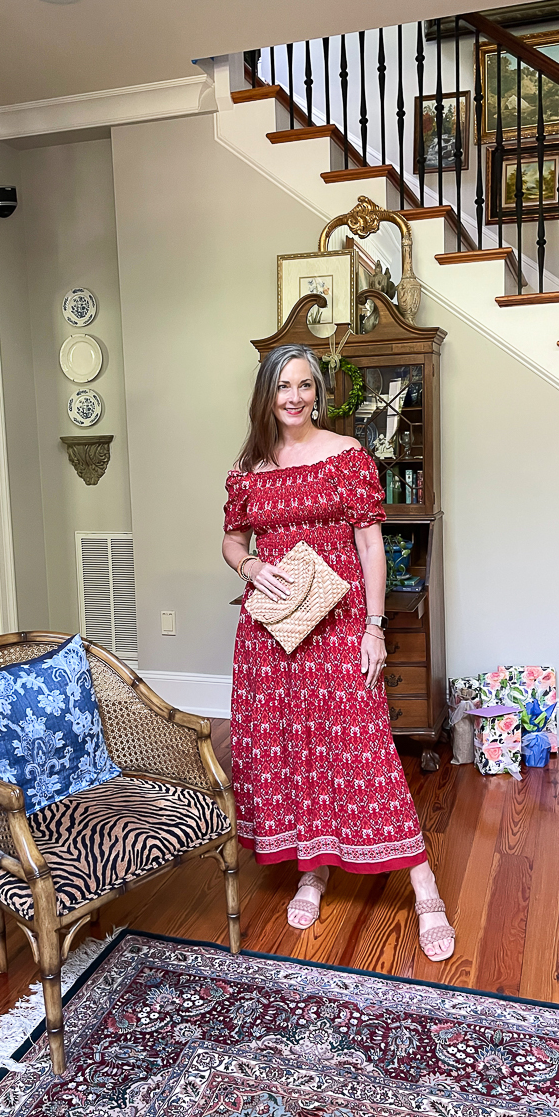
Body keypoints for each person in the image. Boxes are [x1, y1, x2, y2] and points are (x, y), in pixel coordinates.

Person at [221, 343, 454, 961]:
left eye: (303, 386)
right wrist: (251, 566)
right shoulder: (248, 465)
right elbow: (230, 540)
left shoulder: (348, 457)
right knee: (290, 749)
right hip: (270, 634)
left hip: (340, 625)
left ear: (317, 393)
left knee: (362, 747)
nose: (293, 398)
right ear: (266, 395)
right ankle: (311, 868)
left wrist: (374, 629)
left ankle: (422, 882)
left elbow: (371, 545)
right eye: (282, 387)